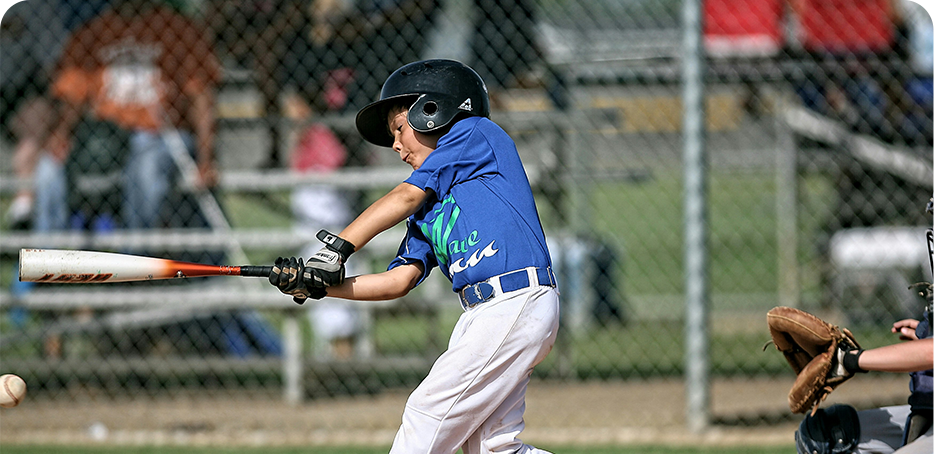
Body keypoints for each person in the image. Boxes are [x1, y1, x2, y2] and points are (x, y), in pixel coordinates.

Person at [268, 59, 559, 453]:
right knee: (494, 449)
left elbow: (404, 195)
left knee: (426, 416)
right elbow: (397, 281)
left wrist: (337, 248)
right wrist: (317, 287)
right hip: (484, 314)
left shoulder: (474, 133)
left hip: (513, 302)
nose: (396, 146)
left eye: (400, 129)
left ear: (433, 112)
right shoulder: (430, 207)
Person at [33, 0, 221, 232]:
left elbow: (201, 96)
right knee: (48, 170)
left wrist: (206, 159)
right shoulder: (92, 32)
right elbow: (73, 97)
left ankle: (137, 261)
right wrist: (60, 136)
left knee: (146, 169)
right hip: (105, 138)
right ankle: (49, 262)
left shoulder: (179, 29)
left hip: (159, 136)